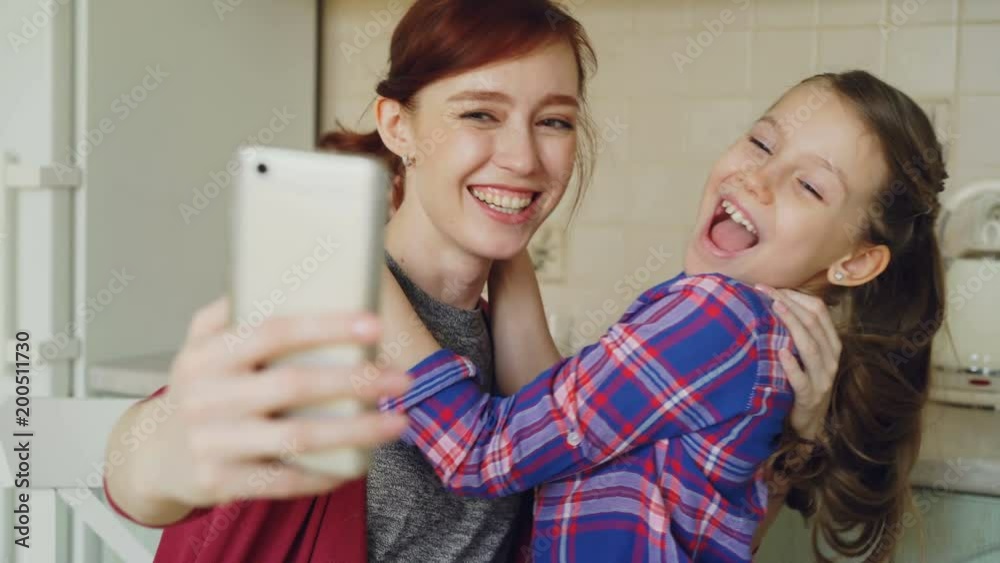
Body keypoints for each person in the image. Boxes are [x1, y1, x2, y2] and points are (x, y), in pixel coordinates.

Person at [100, 1, 842, 561]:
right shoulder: (322, 301)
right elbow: (141, 469)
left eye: (554, 122)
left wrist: (791, 436)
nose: (522, 157)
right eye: (480, 113)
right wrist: (163, 453)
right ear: (398, 126)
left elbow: (679, 521)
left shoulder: (521, 358)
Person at [374, 70, 946, 563]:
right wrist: (504, 227)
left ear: (856, 262)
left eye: (810, 186)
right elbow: (554, 428)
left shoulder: (720, 318)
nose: (758, 178)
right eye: (762, 144)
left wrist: (357, 266)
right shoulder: (752, 332)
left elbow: (481, 454)